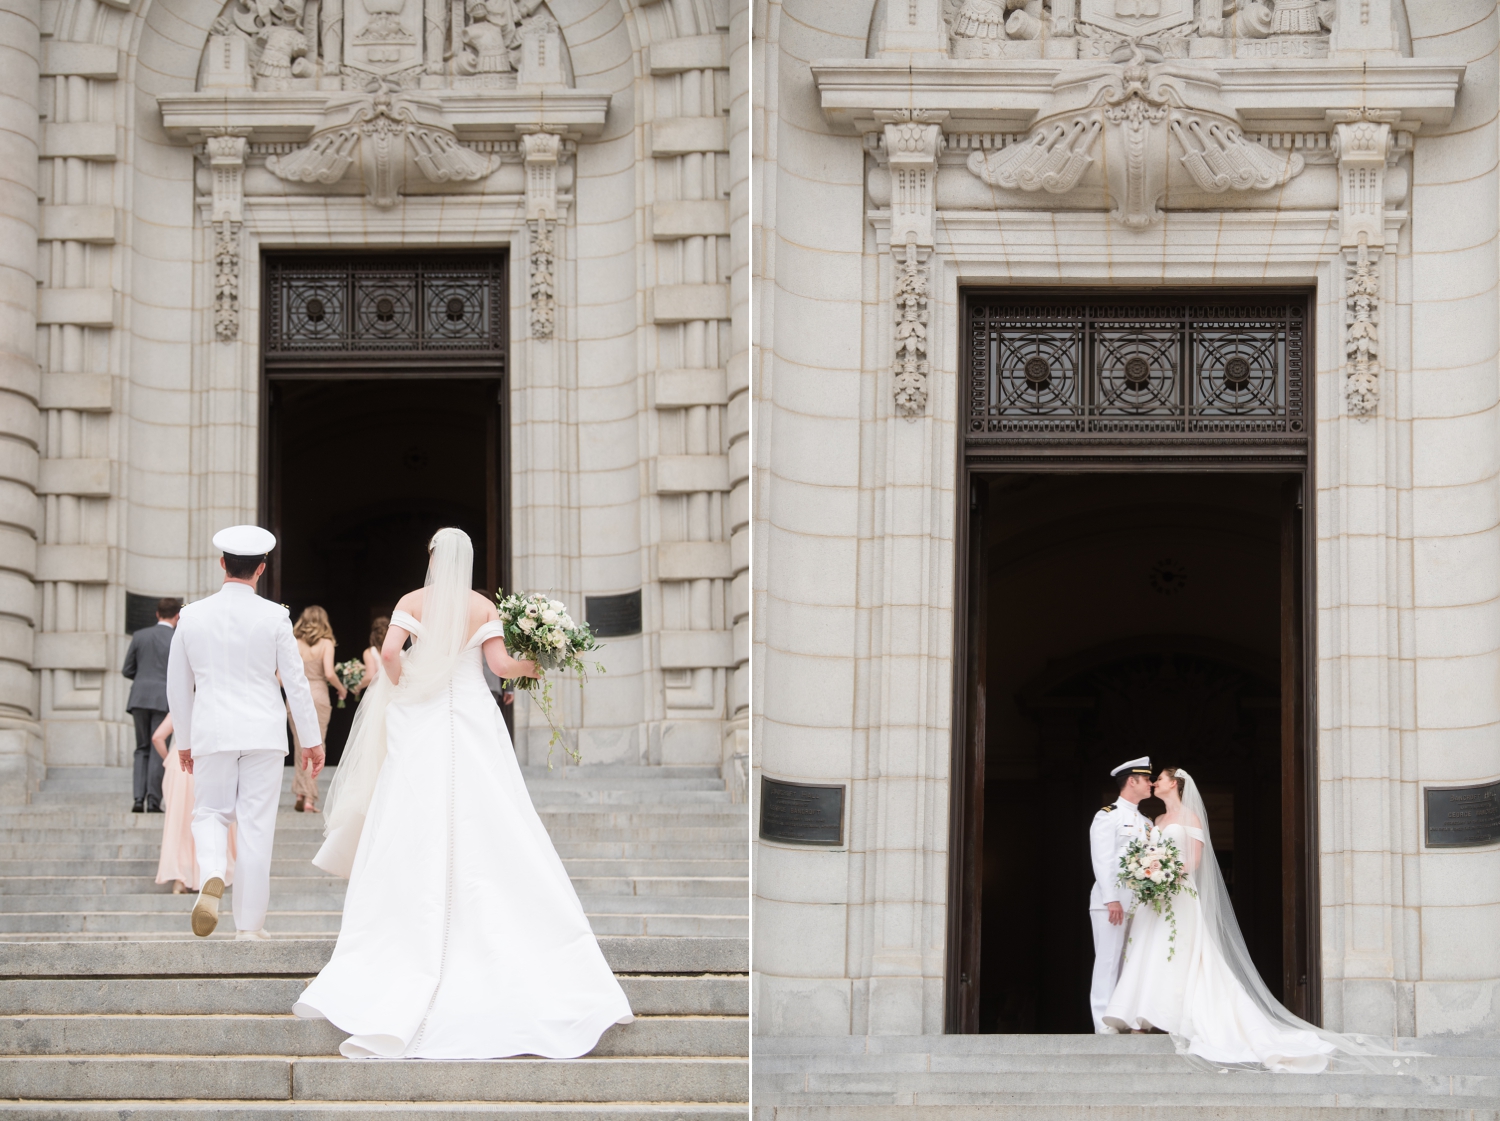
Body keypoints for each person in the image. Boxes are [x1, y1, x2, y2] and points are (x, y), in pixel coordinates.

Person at [293, 528, 633, 1058]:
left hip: (422, 717)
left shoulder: (411, 601)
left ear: (431, 557)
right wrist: (538, 663)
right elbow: (499, 668)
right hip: (472, 715)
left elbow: (387, 654)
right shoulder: (480, 605)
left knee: (414, 814)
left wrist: (410, 685)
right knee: (492, 815)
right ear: (469, 560)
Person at [1102, 767, 1408, 1072]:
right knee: (1150, 953)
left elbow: (1194, 861)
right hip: (1157, 898)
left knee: (1179, 954)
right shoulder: (1156, 821)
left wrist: (1165, 873)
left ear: (1176, 785)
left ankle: (1175, 1017)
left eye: (1161, 779)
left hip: (1179, 894)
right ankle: (1139, 1019)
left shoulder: (1190, 818)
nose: (1155, 782)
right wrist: (1148, 871)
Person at [167, 525, 324, 941]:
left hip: (212, 731)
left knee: (210, 813)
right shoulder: (275, 616)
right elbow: (295, 682)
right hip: (264, 734)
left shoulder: (193, 615)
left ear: (222, 564)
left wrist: (183, 740)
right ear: (261, 568)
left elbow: (177, 686)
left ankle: (214, 871)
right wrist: (311, 738)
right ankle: (249, 928)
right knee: (256, 828)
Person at [1089, 756, 1154, 1034]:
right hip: (1110, 903)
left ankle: (1125, 1019)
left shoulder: (1145, 821)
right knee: (1107, 961)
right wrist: (1111, 898)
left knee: (1131, 963)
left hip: (1139, 904)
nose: (1151, 783)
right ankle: (1104, 1024)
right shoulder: (1108, 815)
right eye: (1147, 779)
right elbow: (1102, 859)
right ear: (1132, 780)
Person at [152, 713, 236, 894]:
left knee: (180, 822)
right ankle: (209, 873)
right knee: (208, 817)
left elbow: (157, 737)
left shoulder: (180, 706)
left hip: (179, 764)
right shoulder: (212, 704)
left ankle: (180, 879)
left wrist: (169, 758)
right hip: (206, 760)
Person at [121, 597, 181, 813]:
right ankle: (154, 801)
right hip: (163, 698)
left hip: (139, 698)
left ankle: (138, 799)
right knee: (158, 747)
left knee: (142, 748)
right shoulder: (177, 638)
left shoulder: (140, 636)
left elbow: (127, 669)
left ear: (157, 614)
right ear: (177, 616)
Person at [287, 606, 347, 813]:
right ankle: (310, 799)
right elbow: (329, 673)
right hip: (319, 695)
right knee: (316, 745)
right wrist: (342, 689)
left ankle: (301, 793)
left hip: (296, 698)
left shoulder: (294, 643)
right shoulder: (326, 644)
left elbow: (280, 676)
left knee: (299, 746)